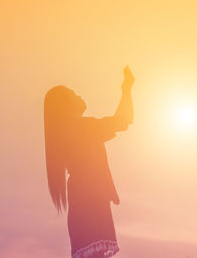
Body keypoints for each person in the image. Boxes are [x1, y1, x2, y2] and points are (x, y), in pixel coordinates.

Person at [43, 66, 135, 258]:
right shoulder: (81, 128)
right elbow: (123, 120)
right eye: (73, 94)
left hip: (84, 204)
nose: (79, 96)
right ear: (66, 105)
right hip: (91, 203)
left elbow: (122, 121)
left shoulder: (73, 131)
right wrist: (126, 89)